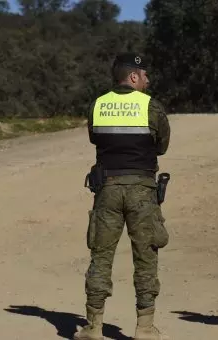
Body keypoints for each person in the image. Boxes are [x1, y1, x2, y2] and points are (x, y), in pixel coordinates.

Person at [74, 52, 171, 340]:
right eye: (144, 75)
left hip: (107, 189)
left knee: (101, 256)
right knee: (145, 257)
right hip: (142, 190)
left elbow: (95, 138)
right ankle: (144, 327)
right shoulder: (151, 106)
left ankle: (93, 325)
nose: (148, 79)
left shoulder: (98, 105)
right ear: (132, 77)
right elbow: (162, 145)